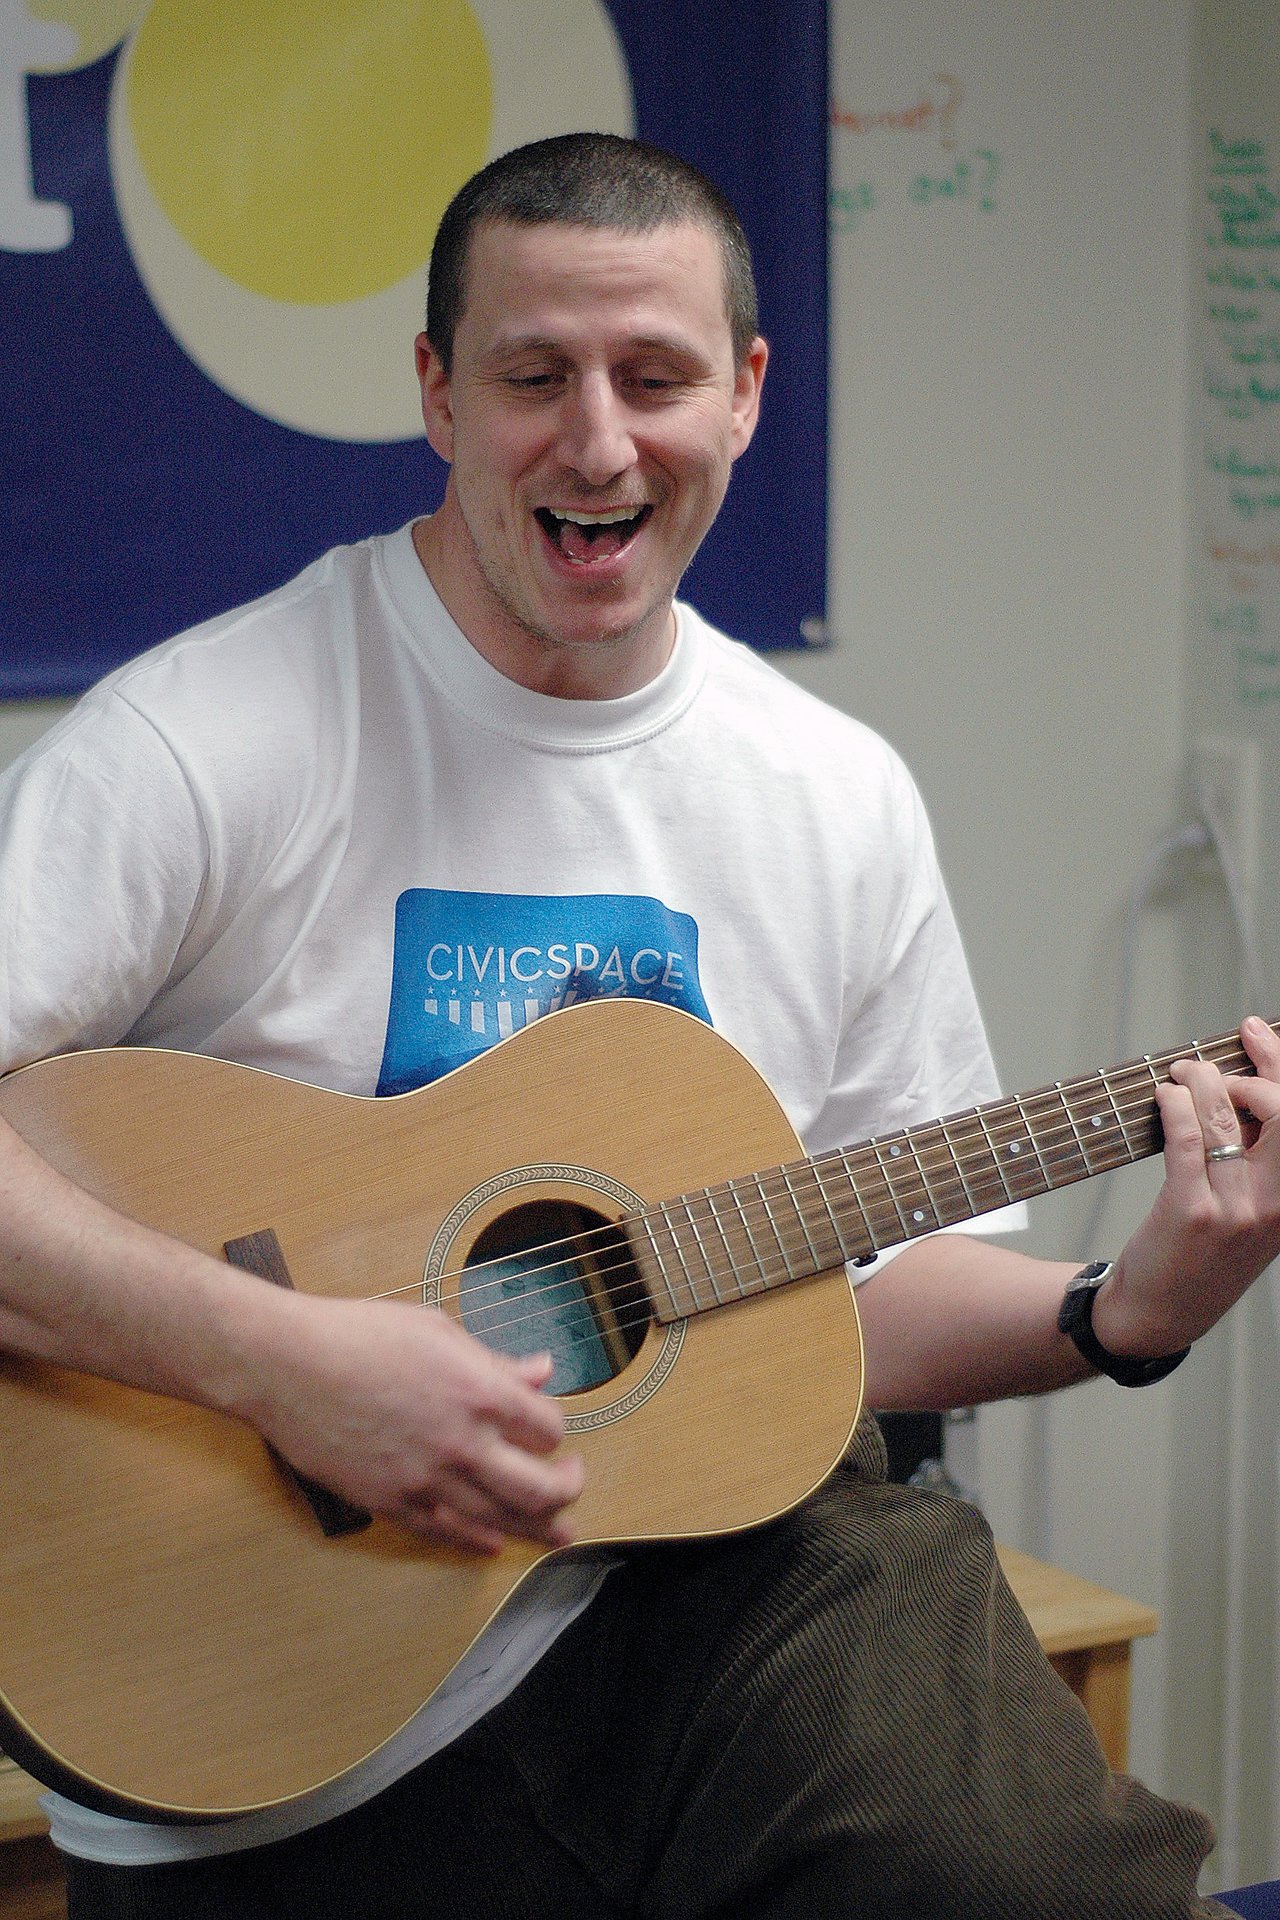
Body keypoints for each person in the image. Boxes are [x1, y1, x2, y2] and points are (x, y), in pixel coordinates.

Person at [0, 132, 1274, 1918]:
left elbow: (833, 1284)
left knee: (1037, 1867)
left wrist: (1119, 1315)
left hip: (705, 1604)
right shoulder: (206, 739)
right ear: (437, 393)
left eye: (656, 377)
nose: (598, 444)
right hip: (280, 1715)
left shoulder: (829, 796)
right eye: (535, 376)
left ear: (746, 396)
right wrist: (275, 1361)